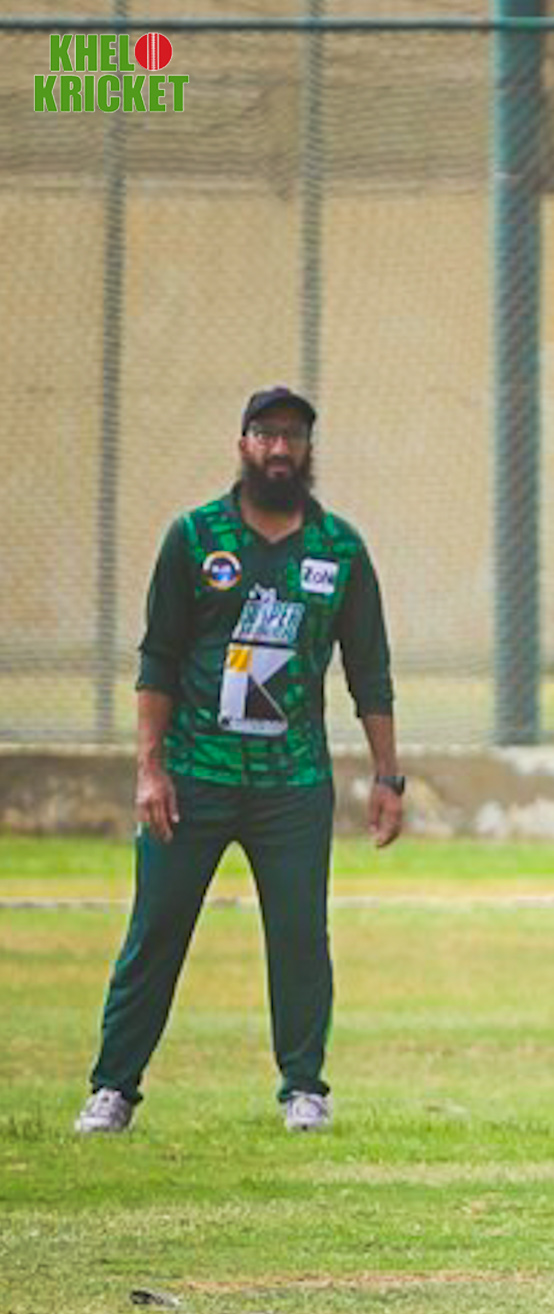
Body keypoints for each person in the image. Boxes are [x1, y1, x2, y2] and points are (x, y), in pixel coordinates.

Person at [73, 385, 403, 1136]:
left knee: (300, 937)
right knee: (156, 932)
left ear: (308, 448)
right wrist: (150, 768)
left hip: (293, 783)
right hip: (194, 778)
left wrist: (387, 776)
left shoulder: (339, 549)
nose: (279, 448)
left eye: (293, 435)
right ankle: (112, 1088)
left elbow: (370, 670)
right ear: (243, 443)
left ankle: (304, 1089)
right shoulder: (196, 538)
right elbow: (157, 659)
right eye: (265, 433)